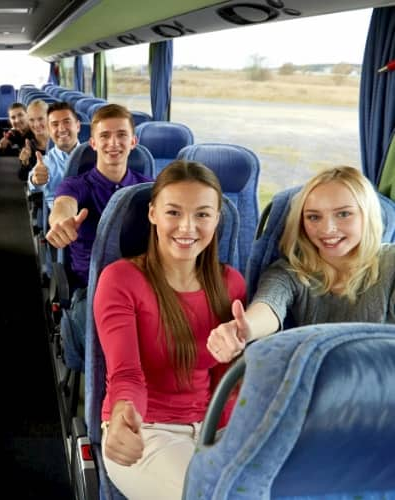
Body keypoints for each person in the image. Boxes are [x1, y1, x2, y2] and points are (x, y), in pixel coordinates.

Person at [95, 161, 246, 499]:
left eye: (203, 215)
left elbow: (226, 380)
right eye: (173, 212)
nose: (187, 227)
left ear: (218, 218)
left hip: (213, 431)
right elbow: (126, 374)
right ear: (152, 214)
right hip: (147, 431)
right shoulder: (121, 280)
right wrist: (123, 415)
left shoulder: (230, 284)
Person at [209, 165, 395, 362]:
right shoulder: (289, 272)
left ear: (367, 215)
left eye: (343, 214)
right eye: (314, 217)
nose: (328, 229)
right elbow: (269, 305)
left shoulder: (391, 264)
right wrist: (244, 329)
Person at [46, 104, 152, 353]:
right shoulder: (76, 185)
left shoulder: (149, 188)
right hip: (91, 285)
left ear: (133, 141)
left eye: (121, 135)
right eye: (104, 136)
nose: (113, 143)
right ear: (93, 143)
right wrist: (60, 222)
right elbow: (63, 205)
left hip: (143, 284)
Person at [27, 101, 81, 209]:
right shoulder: (45, 161)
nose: (61, 129)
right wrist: (35, 179)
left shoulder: (95, 155)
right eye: (55, 124)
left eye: (67, 122)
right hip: (62, 220)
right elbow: (33, 180)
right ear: (49, 131)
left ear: (78, 126)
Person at [18, 99, 50, 182]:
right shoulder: (28, 143)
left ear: (49, 118)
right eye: (31, 120)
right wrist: (25, 163)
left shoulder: (60, 140)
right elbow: (23, 177)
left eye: (40, 119)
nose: (36, 124)